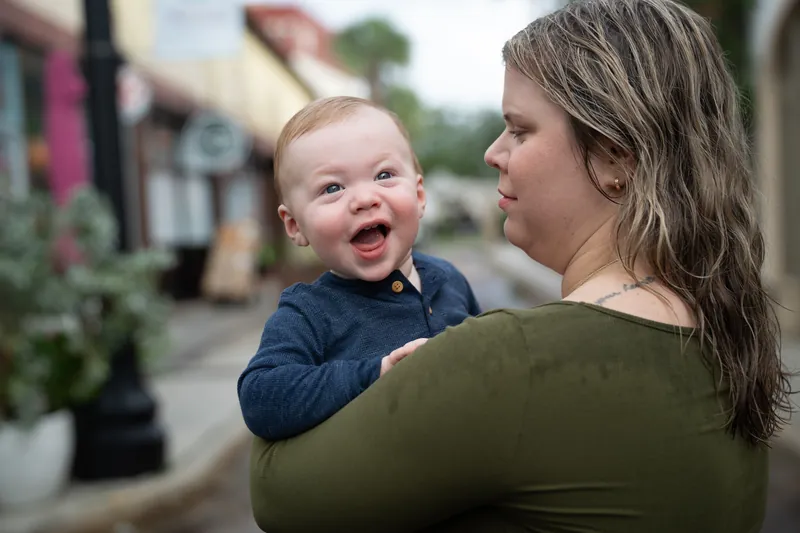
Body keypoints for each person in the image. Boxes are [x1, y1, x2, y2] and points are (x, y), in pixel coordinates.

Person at [248, 0, 792, 531]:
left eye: (520, 129)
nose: (491, 152)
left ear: (612, 155)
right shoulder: (723, 328)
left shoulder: (513, 362)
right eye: (332, 187)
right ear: (292, 222)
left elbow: (276, 495)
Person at [237, 96, 482, 441]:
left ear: (419, 195)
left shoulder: (449, 280)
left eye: (384, 175)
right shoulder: (309, 312)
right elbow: (261, 397)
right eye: (332, 188)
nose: (365, 199)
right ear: (294, 225)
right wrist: (375, 374)